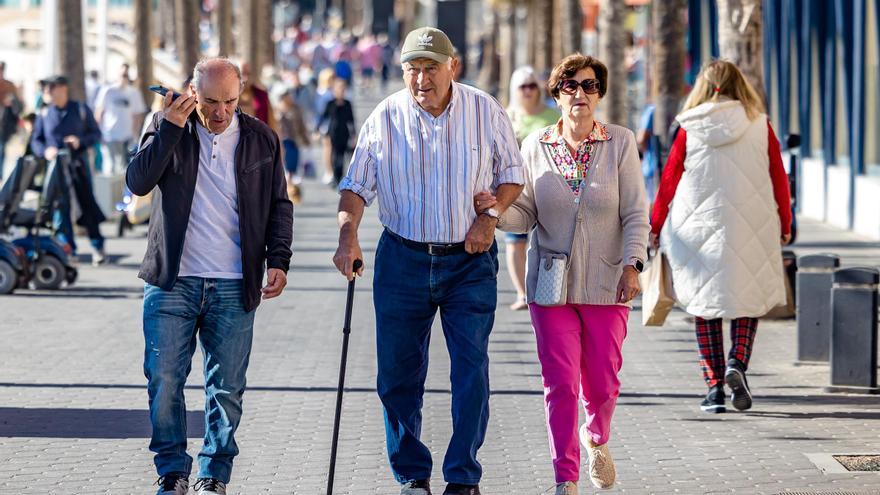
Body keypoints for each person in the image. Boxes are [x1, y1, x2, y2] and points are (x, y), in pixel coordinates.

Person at [333, 27, 524, 495]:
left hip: (469, 260)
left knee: (470, 369)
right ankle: (412, 475)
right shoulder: (385, 117)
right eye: (412, 70)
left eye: (430, 68)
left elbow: (513, 174)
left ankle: (462, 475)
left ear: (451, 67)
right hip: (403, 259)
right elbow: (356, 186)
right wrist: (347, 236)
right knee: (397, 375)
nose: (421, 79)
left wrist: (491, 217)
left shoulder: (484, 109)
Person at [476, 54, 648, 494]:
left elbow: (635, 214)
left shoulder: (621, 144)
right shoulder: (536, 146)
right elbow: (526, 214)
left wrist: (633, 264)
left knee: (603, 381)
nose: (580, 94)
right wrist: (495, 211)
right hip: (551, 286)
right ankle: (565, 477)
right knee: (560, 384)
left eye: (589, 86)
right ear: (556, 95)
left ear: (600, 94)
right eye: (570, 86)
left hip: (609, 282)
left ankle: (597, 438)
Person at [126, 58, 293, 495]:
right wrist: (168, 128)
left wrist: (279, 260)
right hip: (171, 281)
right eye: (212, 102)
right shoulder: (166, 126)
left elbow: (280, 205)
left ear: (241, 96)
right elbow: (138, 182)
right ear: (192, 93)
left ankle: (212, 475)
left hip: (235, 283)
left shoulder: (261, 139)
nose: (221, 113)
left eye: (231, 102)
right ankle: (172, 470)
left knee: (227, 389)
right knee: (163, 380)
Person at [650, 60, 792, 415]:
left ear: (702, 86)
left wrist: (654, 224)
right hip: (752, 225)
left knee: (704, 305)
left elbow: (668, 181)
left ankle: (713, 389)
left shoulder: (688, 127)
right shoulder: (760, 125)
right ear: (739, 85)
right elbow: (779, 176)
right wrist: (786, 222)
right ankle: (737, 364)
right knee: (747, 299)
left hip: (696, 227)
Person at [30, 75, 108, 264]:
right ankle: (68, 249)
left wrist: (79, 141)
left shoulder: (80, 109)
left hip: (78, 166)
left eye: (50, 88)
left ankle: (98, 247)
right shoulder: (44, 114)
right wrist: (45, 151)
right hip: (56, 169)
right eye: (45, 89)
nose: (46, 93)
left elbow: (96, 134)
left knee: (86, 205)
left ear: (62, 89)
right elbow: (36, 141)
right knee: (60, 209)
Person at [503, 66, 560, 310]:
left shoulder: (552, 115)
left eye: (532, 86)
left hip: (550, 185)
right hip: (516, 187)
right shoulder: (506, 116)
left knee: (552, 240)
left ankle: (552, 289)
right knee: (515, 240)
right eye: (522, 86)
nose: (528, 91)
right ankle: (521, 293)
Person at [95, 63, 147, 175]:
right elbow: (99, 112)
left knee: (126, 170)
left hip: (127, 137)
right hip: (110, 135)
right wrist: (99, 132)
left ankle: (123, 193)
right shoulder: (107, 91)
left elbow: (137, 115)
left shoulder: (134, 92)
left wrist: (135, 135)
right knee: (110, 169)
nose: (125, 77)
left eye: (127, 75)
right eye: (123, 74)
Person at [318, 78, 354, 186]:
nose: (341, 91)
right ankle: (334, 176)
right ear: (334, 90)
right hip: (332, 133)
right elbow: (323, 117)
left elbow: (351, 120)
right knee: (334, 156)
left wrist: (354, 135)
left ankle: (339, 178)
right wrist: (317, 130)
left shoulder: (348, 104)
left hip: (344, 134)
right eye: (339, 89)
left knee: (341, 157)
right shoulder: (330, 103)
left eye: (343, 89)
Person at [278, 90, 310, 203]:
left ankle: (292, 192)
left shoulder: (296, 109)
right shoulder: (277, 111)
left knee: (292, 169)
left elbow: (301, 125)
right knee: (285, 169)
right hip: (282, 142)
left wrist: (306, 140)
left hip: (294, 141)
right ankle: (287, 192)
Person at [0, 61, 22, 178]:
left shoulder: (9, 86)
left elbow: (18, 105)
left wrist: (11, 102)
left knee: (1, 148)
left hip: (4, 123)